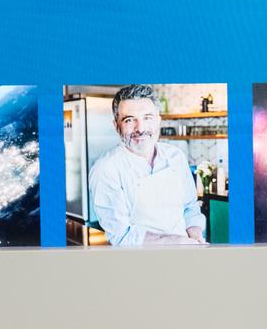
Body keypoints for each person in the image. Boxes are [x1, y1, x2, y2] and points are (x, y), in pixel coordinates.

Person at [88, 84, 207, 246]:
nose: (140, 128)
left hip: (183, 254)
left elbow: (190, 208)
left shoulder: (175, 157)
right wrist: (177, 241)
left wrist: (195, 235)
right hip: (139, 263)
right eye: (129, 120)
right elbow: (122, 236)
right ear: (116, 125)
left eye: (147, 118)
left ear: (158, 121)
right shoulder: (106, 169)